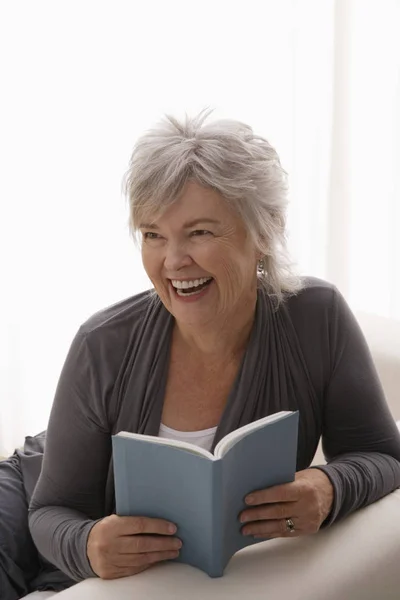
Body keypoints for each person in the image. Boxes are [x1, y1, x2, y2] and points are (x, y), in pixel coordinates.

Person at [2, 110, 400, 597]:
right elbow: (48, 511)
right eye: (153, 235)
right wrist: (87, 543)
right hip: (21, 506)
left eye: (200, 232)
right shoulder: (101, 342)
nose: (172, 262)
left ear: (264, 232)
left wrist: (328, 487)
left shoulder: (317, 319)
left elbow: (384, 455)